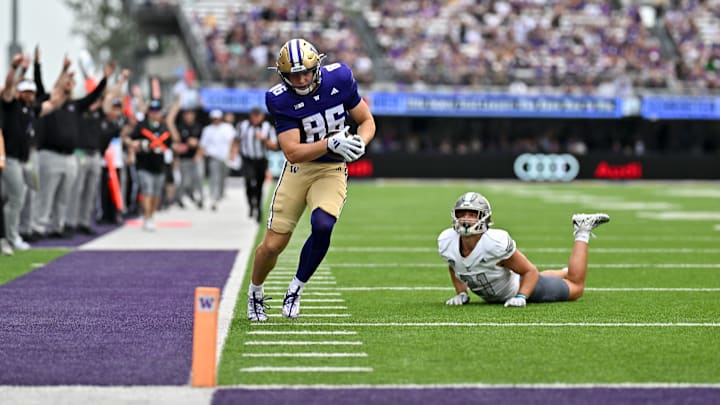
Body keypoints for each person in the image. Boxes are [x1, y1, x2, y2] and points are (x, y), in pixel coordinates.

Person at [247, 38, 375, 321]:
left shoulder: (340, 78)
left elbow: (367, 121)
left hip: (331, 169)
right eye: (294, 75)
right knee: (273, 245)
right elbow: (292, 153)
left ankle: (296, 287)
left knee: (323, 224)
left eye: (306, 71)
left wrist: (360, 143)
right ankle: (255, 291)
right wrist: (330, 143)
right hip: (299, 170)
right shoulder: (279, 98)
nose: (302, 79)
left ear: (318, 65)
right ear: (283, 75)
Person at [438, 192, 610, 307]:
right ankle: (562, 273)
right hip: (509, 282)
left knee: (576, 288)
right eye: (462, 213)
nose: (466, 219)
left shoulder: (494, 243)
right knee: (541, 276)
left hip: (519, 286)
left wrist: (521, 296)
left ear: (484, 217)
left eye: (472, 214)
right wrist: (462, 293)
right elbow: (455, 265)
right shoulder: (447, 241)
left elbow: (530, 271)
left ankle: (582, 229)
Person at [128, 99, 176, 231]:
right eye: (152, 111)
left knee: (156, 194)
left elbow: (173, 143)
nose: (155, 113)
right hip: (144, 164)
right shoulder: (142, 126)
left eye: (157, 111)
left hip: (160, 165)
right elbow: (130, 139)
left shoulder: (164, 127)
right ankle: (147, 217)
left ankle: (151, 215)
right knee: (147, 191)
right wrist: (135, 147)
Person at [233, 106, 278, 222]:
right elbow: (235, 139)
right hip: (247, 159)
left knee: (259, 185)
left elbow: (274, 146)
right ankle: (250, 204)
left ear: (262, 116)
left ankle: (258, 207)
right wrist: (232, 153)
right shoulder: (242, 126)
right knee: (249, 182)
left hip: (261, 160)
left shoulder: (267, 128)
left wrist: (263, 139)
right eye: (254, 115)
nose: (256, 118)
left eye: (258, 115)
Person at [196, 109, 235, 211]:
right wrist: (198, 156)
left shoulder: (227, 128)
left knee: (222, 178)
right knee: (214, 177)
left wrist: (232, 154)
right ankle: (214, 198)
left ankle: (219, 195)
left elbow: (233, 141)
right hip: (213, 157)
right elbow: (203, 144)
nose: (216, 120)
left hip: (225, 158)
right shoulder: (207, 130)